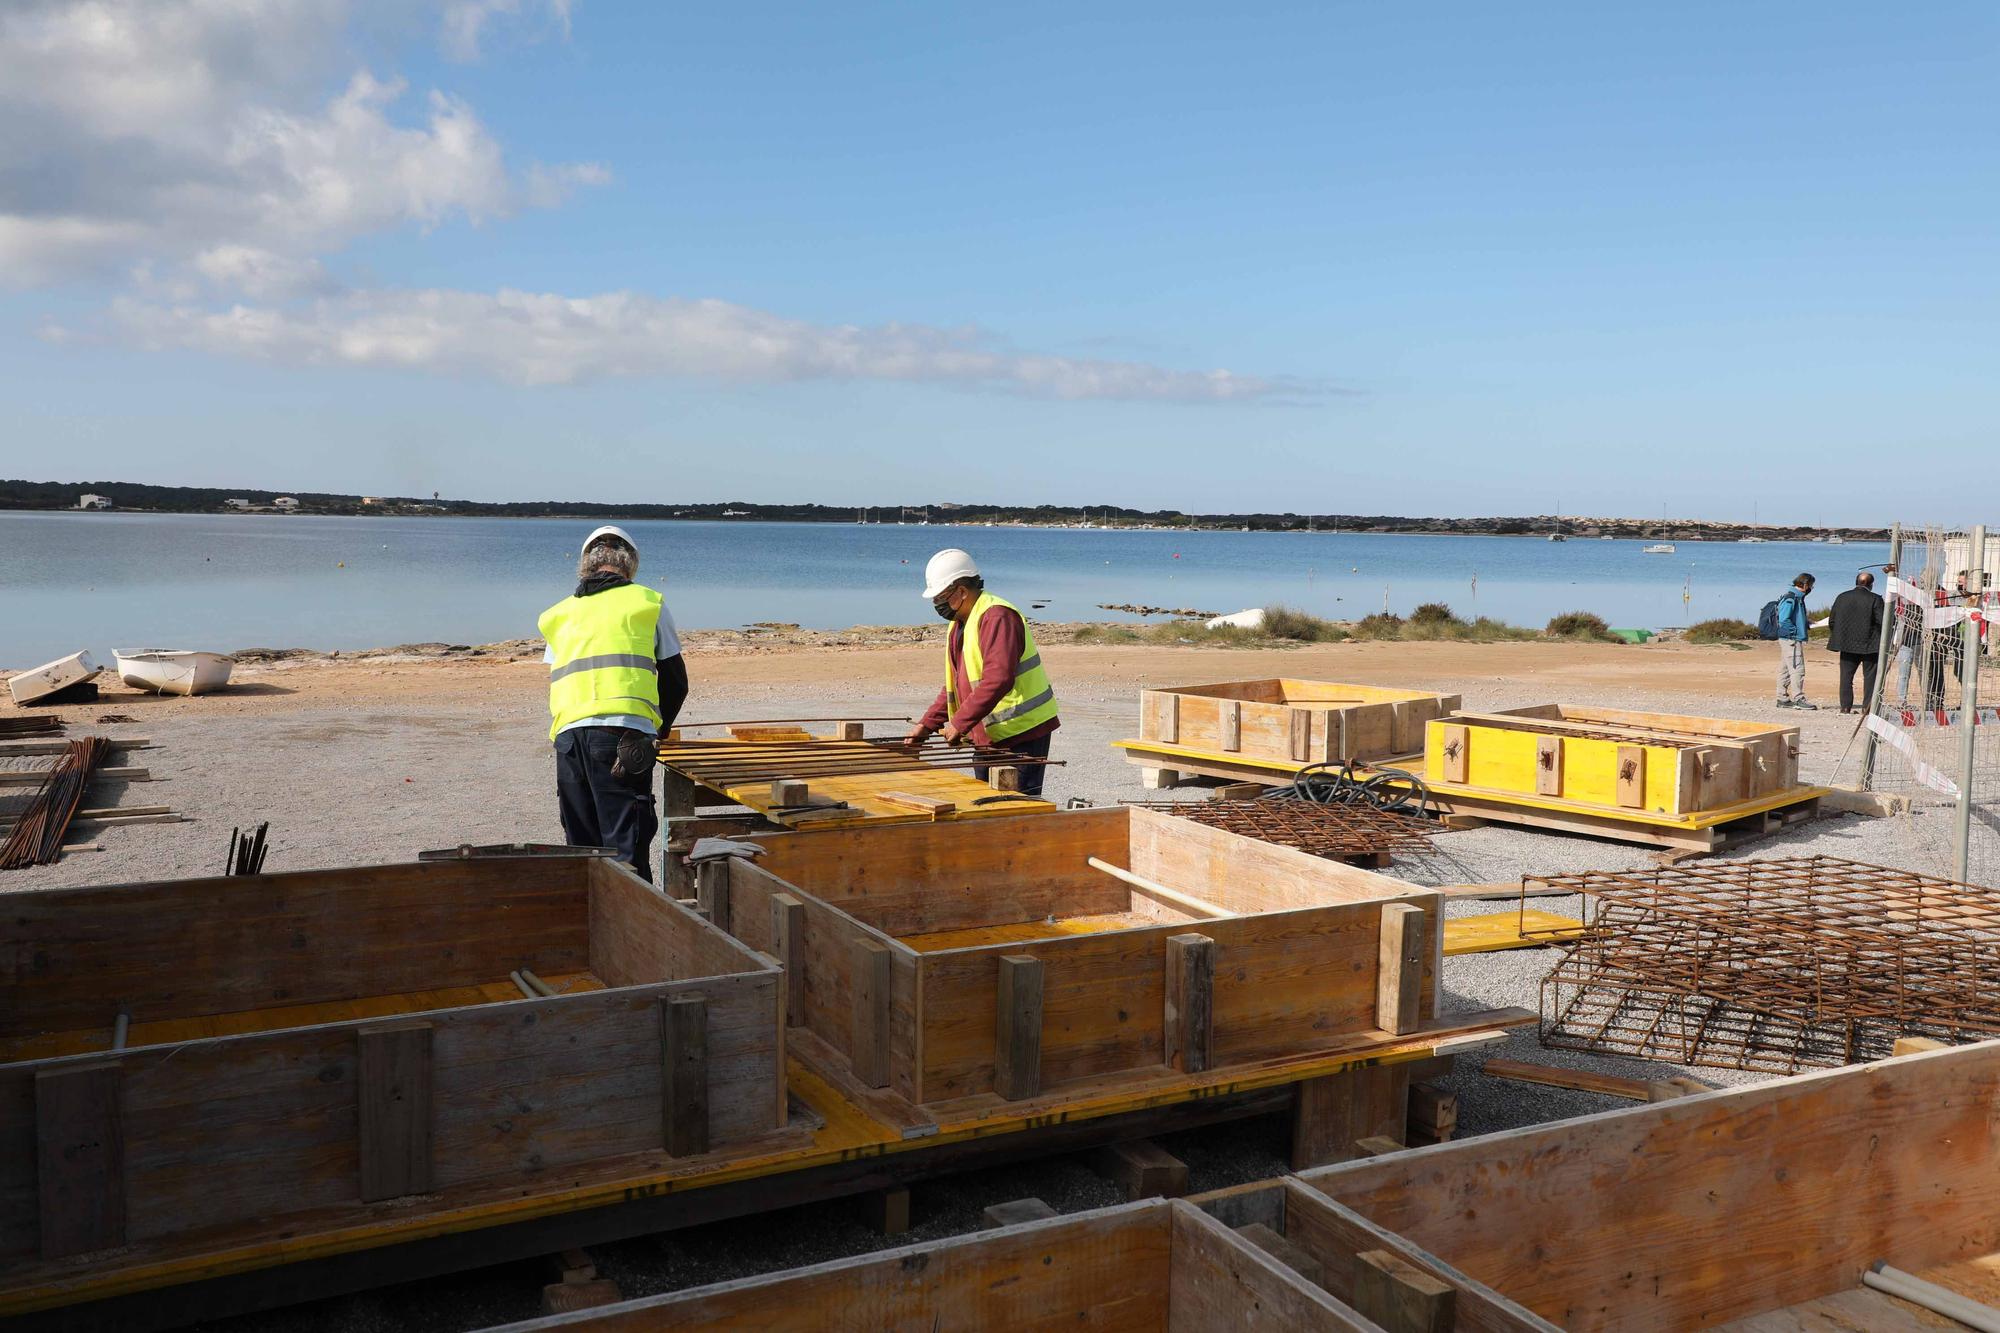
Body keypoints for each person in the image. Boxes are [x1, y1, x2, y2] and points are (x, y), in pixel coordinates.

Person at [538, 526, 689, 880]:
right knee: (626, 847)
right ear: (631, 564)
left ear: (585, 565)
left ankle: (589, 927)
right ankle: (634, 930)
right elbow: (676, 680)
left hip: (569, 737)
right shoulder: (647, 603)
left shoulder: (557, 614)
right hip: (624, 735)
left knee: (582, 848)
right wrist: (660, 728)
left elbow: (563, 671)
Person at [905, 548, 1060, 795]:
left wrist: (959, 723)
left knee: (1019, 811)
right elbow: (956, 686)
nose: (938, 604)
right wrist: (926, 725)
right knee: (985, 805)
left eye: (940, 598)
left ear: (962, 591)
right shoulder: (962, 623)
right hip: (988, 735)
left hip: (1021, 734)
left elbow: (998, 679)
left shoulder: (997, 616)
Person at [1825, 571, 1884, 714]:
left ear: (1856, 582)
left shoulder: (1842, 597)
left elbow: (1832, 620)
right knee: (1870, 677)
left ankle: (1845, 707)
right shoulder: (1875, 599)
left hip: (1847, 643)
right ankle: (1867, 707)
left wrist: (1840, 635)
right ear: (1871, 585)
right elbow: (1883, 621)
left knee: (1846, 676)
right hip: (1870, 644)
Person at [1773, 572, 1816, 709]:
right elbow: (1784, 619)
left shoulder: (1796, 598)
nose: (1811, 589)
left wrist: (1806, 623)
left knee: (1785, 668)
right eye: (1811, 586)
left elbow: (1793, 618)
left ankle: (1782, 698)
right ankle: (1799, 698)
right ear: (1804, 585)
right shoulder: (1792, 598)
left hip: (1789, 638)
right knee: (1798, 669)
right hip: (1791, 639)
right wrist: (1795, 632)